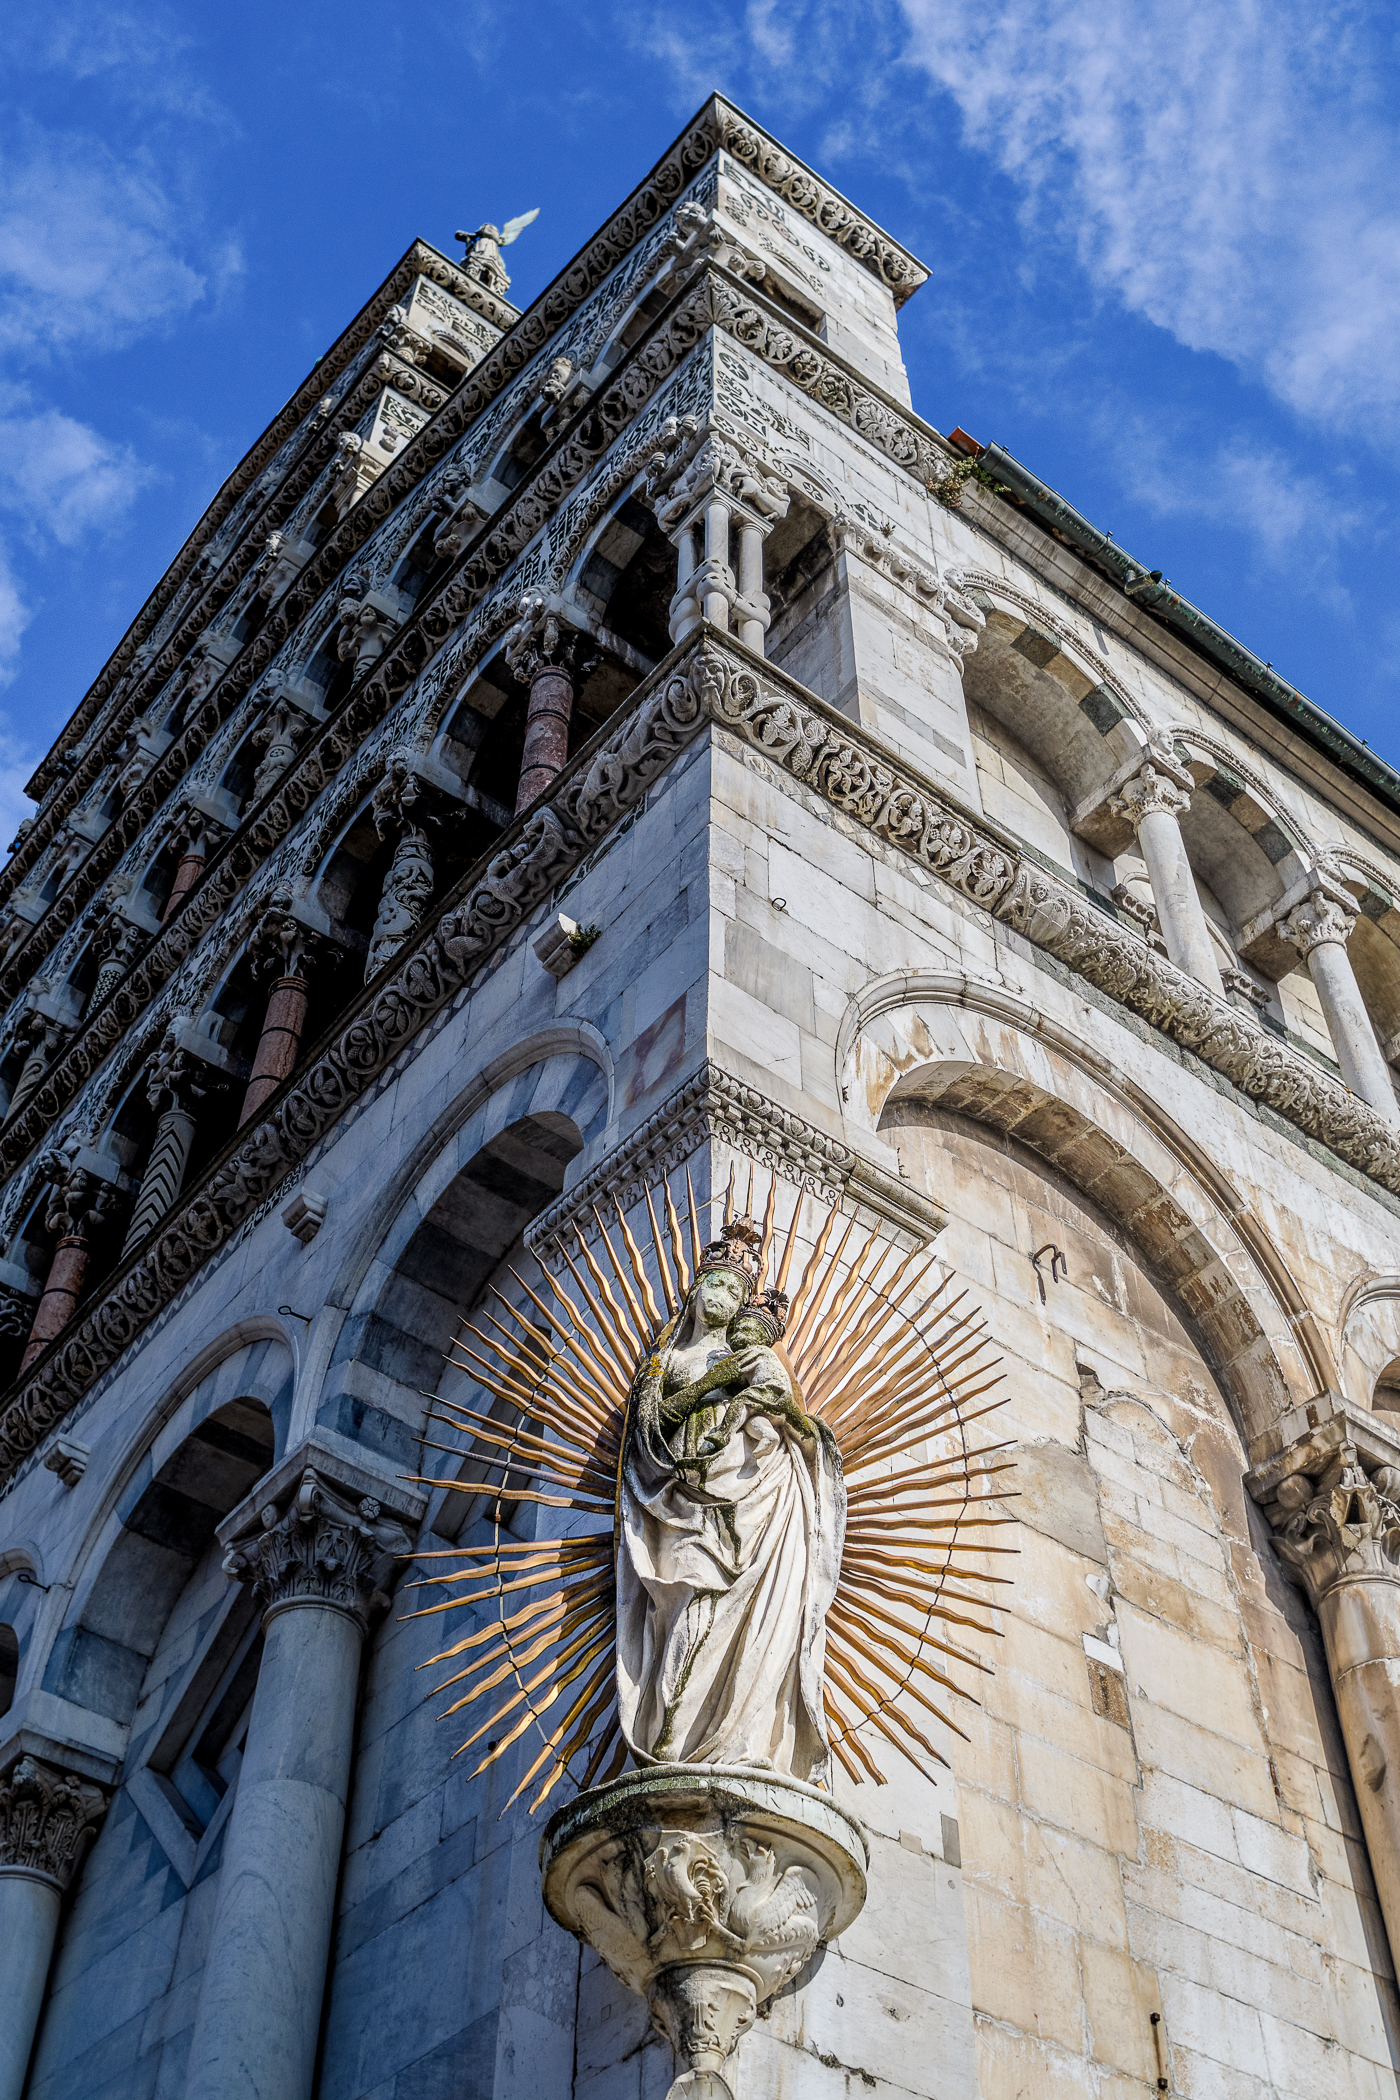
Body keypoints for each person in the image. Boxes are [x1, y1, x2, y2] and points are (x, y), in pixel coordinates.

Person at [615, 1217, 845, 1782]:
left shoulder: (758, 1362)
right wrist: (705, 1394)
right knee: (689, 1601)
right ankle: (670, 1733)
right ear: (695, 1292)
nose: (720, 1297)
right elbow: (648, 1429)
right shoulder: (663, 1364)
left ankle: (733, 1736)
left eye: (733, 1291)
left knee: (744, 1613)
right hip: (679, 1505)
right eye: (714, 1285)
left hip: (756, 1501)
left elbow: (796, 1428)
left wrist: (772, 1417)